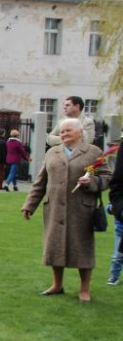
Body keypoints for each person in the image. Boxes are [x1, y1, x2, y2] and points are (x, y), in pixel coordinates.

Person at [22, 118, 111, 303]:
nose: (63, 134)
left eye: (68, 131)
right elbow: (41, 181)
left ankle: (84, 289)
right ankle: (57, 285)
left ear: (80, 132)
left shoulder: (94, 152)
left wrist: (92, 183)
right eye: (61, 132)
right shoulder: (52, 152)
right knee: (55, 247)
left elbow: (107, 177)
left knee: (83, 249)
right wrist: (30, 205)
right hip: (54, 208)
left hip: (81, 210)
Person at [108, 146, 123, 287]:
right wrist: (115, 209)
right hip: (121, 223)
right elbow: (115, 191)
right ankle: (114, 275)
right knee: (117, 255)